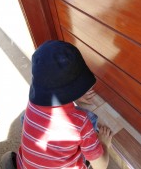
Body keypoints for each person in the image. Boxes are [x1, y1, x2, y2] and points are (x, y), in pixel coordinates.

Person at [16, 40, 113, 169]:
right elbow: (101, 166)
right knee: (92, 121)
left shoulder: (32, 105)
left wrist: (74, 94)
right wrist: (104, 143)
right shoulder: (79, 122)